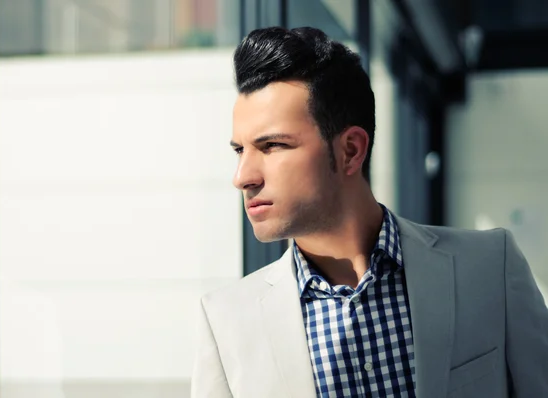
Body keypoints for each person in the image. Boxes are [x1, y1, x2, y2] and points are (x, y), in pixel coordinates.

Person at [191, 26, 548, 398]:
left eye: (273, 146)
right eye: (239, 150)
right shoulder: (226, 324)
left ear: (350, 150)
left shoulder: (489, 267)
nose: (242, 177)